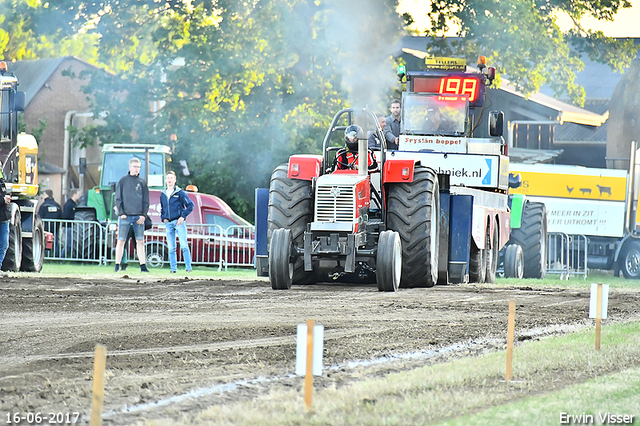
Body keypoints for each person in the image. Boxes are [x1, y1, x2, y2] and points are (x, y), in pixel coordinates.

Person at [113, 157, 150, 273]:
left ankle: (143, 266)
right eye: (135, 167)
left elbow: (146, 201)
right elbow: (118, 198)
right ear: (130, 167)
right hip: (125, 216)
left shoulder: (142, 182)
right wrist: (122, 212)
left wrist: (144, 215)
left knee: (140, 241)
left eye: (138, 167)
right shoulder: (123, 181)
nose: (136, 169)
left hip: (138, 216)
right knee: (121, 241)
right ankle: (117, 265)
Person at [160, 171, 194, 273]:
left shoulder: (180, 193)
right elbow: (162, 208)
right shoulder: (163, 194)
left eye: (172, 178)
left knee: (184, 245)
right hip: (168, 223)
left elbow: (190, 205)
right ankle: (173, 268)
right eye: (168, 178)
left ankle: (188, 267)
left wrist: (182, 216)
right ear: (165, 180)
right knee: (171, 247)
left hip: (178, 222)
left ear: (175, 180)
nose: (170, 180)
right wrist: (163, 218)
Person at [38, 189, 62, 257]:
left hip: (46, 227)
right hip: (55, 227)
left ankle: (45, 256)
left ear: (46, 195)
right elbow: (61, 216)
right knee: (55, 241)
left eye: (44, 194)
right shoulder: (57, 205)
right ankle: (56, 256)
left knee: (45, 241)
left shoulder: (44, 205)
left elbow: (40, 216)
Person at [61, 189, 82, 258]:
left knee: (71, 243)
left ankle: (71, 257)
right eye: (78, 194)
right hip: (68, 226)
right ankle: (62, 257)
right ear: (74, 194)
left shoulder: (73, 204)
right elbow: (66, 215)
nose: (79, 196)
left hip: (71, 226)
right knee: (68, 243)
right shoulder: (69, 204)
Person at [0, 164, 10, 276]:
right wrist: (3, 199)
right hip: (3, 216)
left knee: (4, 244)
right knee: (3, 244)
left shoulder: (1, 180)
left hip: (4, 216)